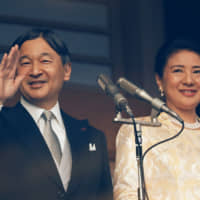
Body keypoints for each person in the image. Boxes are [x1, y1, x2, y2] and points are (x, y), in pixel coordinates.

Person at [0, 28, 113, 200]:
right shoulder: (4, 122)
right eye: (25, 63)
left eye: (45, 61)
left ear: (66, 70)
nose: (35, 71)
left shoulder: (92, 137)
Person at [113, 38, 200, 200]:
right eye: (178, 71)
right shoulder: (139, 129)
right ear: (159, 80)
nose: (189, 80)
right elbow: (126, 195)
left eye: (197, 71)